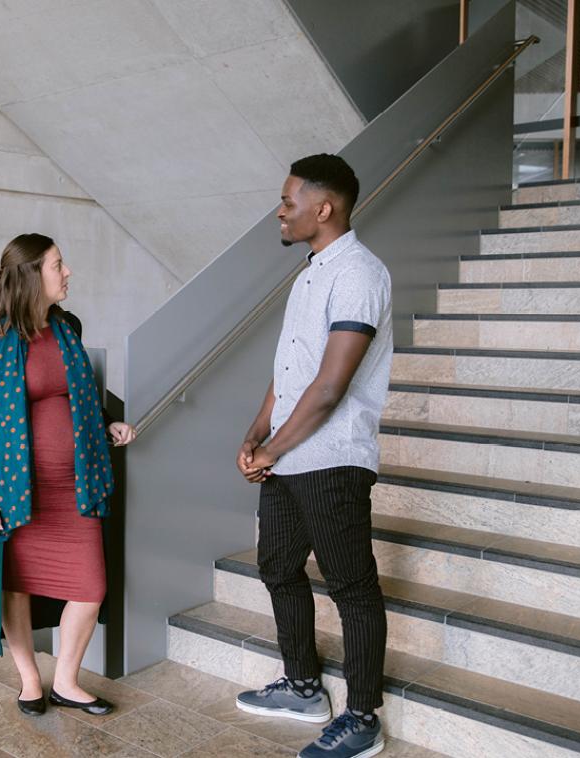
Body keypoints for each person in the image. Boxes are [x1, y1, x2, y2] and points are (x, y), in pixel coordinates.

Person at [234, 154, 392, 758]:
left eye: (288, 201)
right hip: (288, 456)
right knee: (276, 566)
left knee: (351, 586)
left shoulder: (359, 273)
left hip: (333, 459)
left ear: (323, 209)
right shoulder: (309, 274)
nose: (280, 210)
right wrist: (255, 434)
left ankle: (362, 715)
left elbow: (330, 387)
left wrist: (272, 445)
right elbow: (290, 372)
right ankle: (302, 685)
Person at [0, 232, 137, 717]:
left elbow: (78, 399)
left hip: (75, 489)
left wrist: (108, 424)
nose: (68, 273)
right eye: (58, 265)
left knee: (91, 588)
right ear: (31, 275)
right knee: (16, 587)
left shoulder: (68, 328)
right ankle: (29, 681)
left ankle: (65, 681)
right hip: (19, 495)